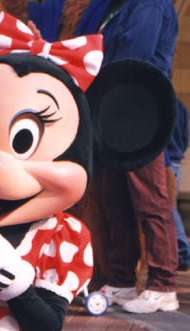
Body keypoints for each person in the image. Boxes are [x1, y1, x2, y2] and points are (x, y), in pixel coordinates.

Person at [24, 0, 180, 313]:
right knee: (114, 202)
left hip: (140, 114)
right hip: (113, 111)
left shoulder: (150, 5)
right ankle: (121, 280)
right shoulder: (119, 7)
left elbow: (131, 59)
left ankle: (163, 286)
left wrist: (71, 61)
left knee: (150, 201)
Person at [167, 98, 190, 271]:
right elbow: (185, 136)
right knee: (170, 207)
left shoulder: (158, 101)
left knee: (168, 209)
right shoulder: (180, 105)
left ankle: (183, 253)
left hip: (165, 160)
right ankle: (181, 253)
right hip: (176, 160)